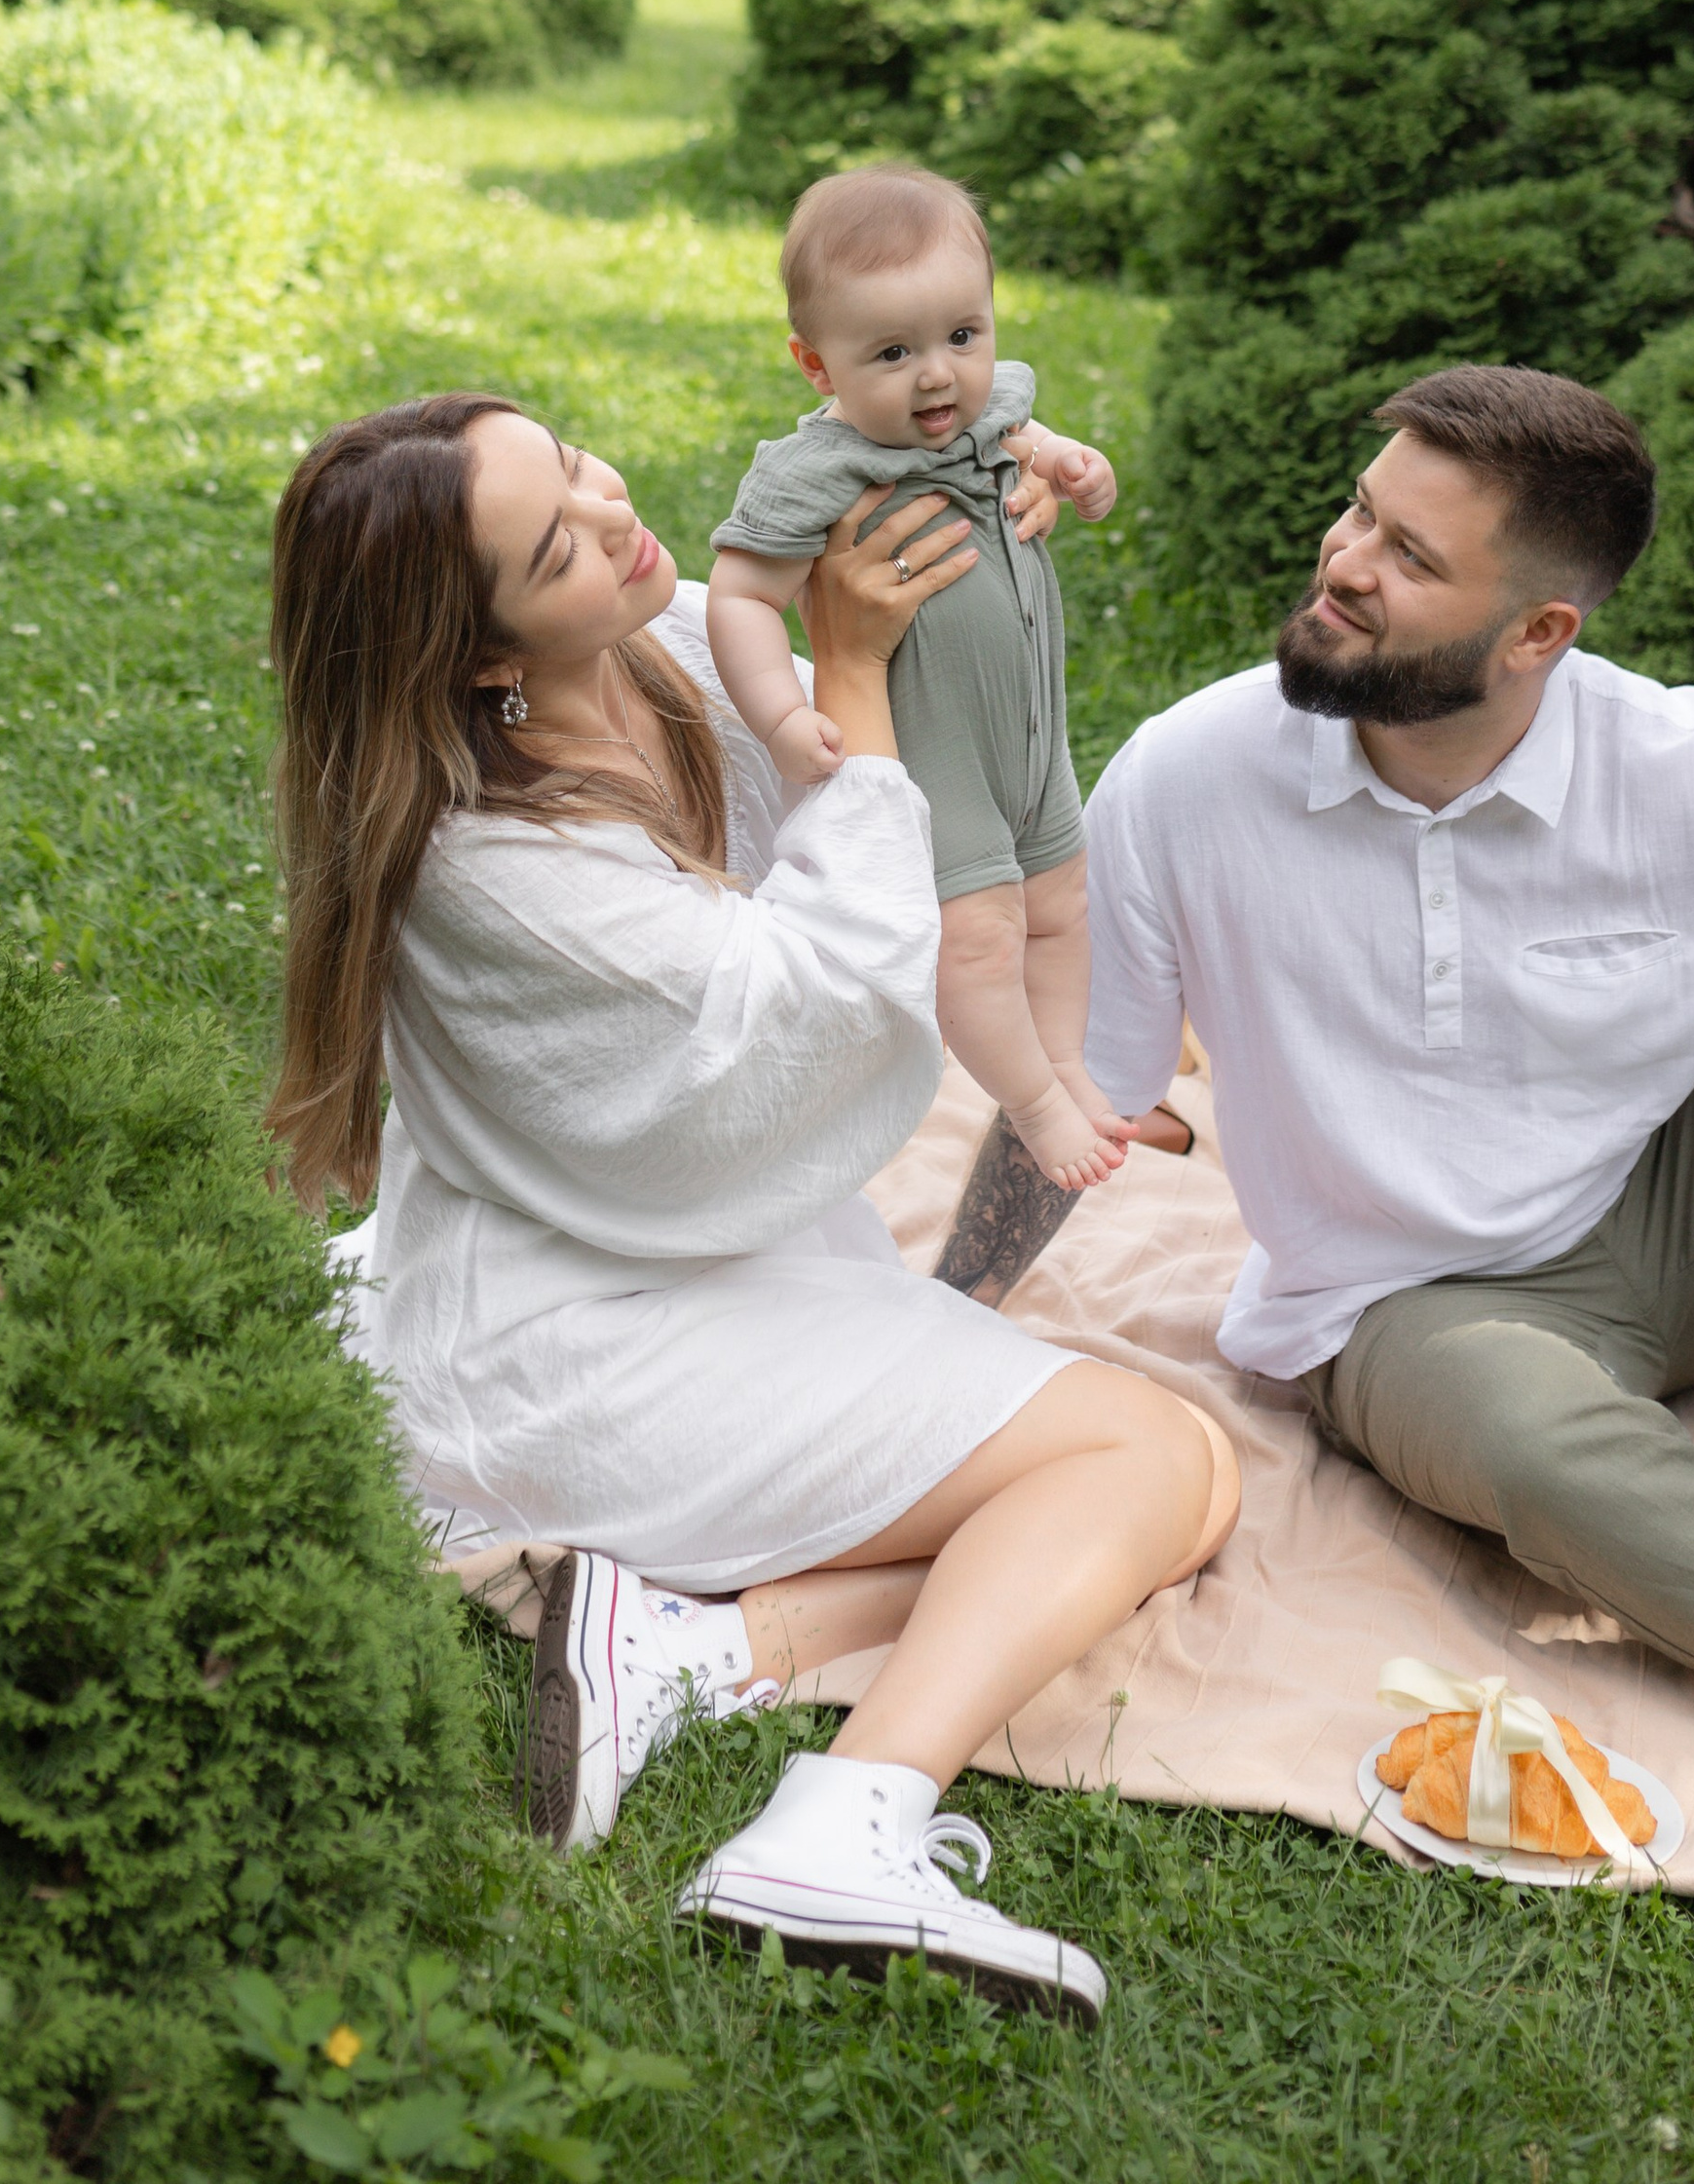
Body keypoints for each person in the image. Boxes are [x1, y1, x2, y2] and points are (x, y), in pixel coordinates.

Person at [265, 390, 1237, 2015]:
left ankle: (700, 1651)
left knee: (1182, 1483)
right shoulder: (489, 865)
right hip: (577, 1346)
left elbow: (884, 616)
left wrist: (982, 496)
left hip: (681, 1243)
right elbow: (816, 1017)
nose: (611, 504)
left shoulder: (647, 666)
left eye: (573, 460)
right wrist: (846, 679)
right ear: (482, 656)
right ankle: (842, 1827)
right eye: (556, 538)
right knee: (1152, 1462)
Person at [1033, 359, 1694, 1791]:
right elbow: (1082, 1103)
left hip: (1678, 1212)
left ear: (1540, 630)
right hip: (1408, 1311)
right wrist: (942, 1323)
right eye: (1359, 515)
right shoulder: (1187, 778)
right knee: (1538, 1450)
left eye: (1410, 557)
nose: (1344, 564)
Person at [706, 167, 1128, 1192]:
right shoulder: (819, 472)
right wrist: (777, 714)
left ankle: (1062, 1060)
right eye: (892, 354)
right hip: (938, 757)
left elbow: (1032, 441)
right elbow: (739, 597)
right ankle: (1028, 1104)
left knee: (1064, 906)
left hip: (1033, 743)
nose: (937, 376)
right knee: (979, 940)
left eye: (961, 336)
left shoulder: (990, 415)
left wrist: (1077, 468)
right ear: (817, 365)